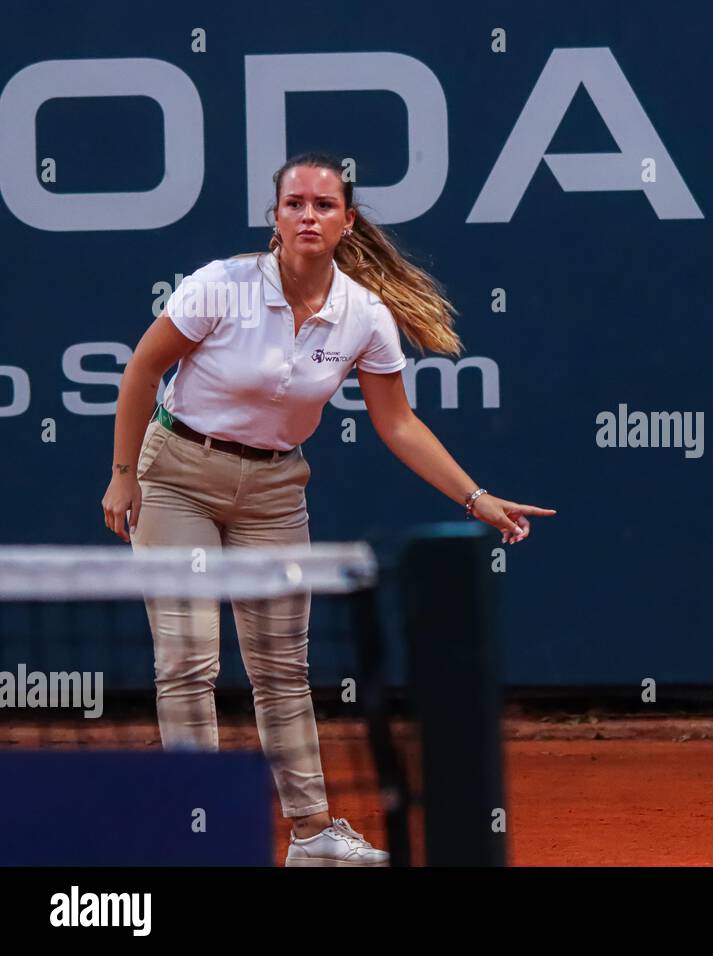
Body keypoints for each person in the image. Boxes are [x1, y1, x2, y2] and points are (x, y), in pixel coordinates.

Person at [101, 151, 556, 864]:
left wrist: (476, 496)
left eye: (322, 205)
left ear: (347, 222)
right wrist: (124, 474)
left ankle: (312, 834)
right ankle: (195, 830)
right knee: (188, 660)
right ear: (275, 219)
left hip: (276, 494)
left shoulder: (364, 317)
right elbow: (142, 368)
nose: (307, 215)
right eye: (294, 204)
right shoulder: (221, 287)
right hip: (177, 479)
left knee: (282, 666)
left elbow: (398, 423)